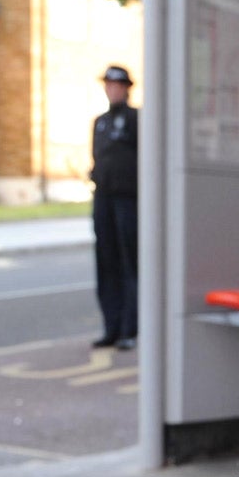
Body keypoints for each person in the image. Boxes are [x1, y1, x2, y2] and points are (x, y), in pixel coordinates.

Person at [90, 65, 139, 351]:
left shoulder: (135, 119)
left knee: (128, 263)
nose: (112, 89)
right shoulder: (100, 122)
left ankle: (129, 329)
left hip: (127, 199)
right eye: (108, 84)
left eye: (117, 85)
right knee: (106, 262)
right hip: (104, 198)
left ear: (126, 88)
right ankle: (111, 326)